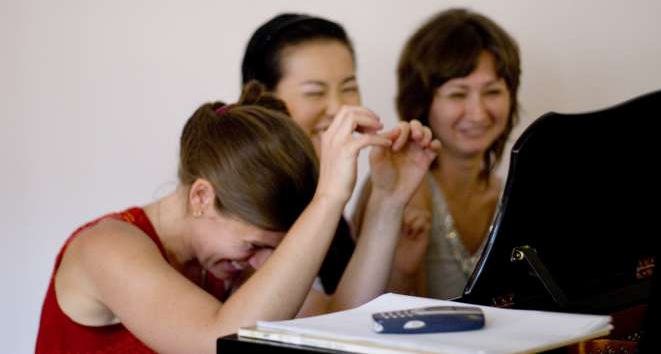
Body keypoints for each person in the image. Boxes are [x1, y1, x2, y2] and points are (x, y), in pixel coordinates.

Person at [36, 81, 439, 353]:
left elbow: (339, 322)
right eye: (254, 244)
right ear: (201, 197)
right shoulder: (106, 248)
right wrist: (329, 196)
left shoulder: (226, 268)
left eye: (275, 250)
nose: (261, 264)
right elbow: (217, 339)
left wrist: (388, 201)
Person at [242, 13, 431, 311]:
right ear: (263, 102)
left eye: (348, 87)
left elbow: (360, 316)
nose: (339, 108)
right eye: (315, 92)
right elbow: (328, 328)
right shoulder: (251, 207)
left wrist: (389, 203)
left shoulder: (315, 191)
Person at [352, 8, 522, 299]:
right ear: (422, 101)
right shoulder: (400, 188)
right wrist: (405, 268)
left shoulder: (512, 193)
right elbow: (381, 320)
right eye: (458, 94)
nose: (478, 113)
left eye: (492, 92)